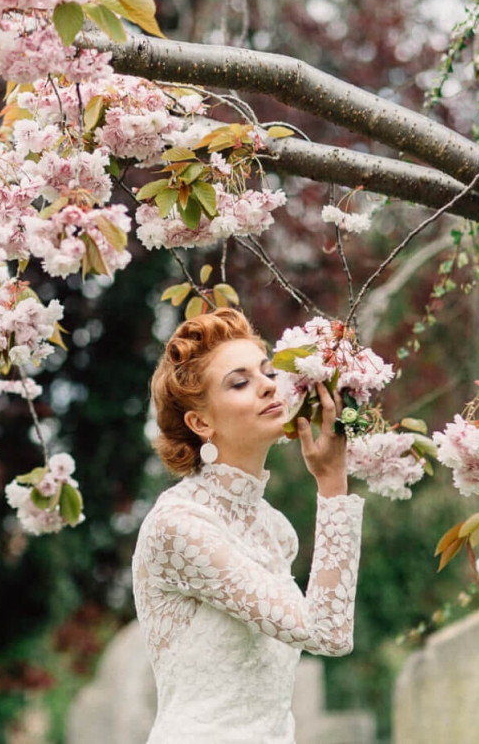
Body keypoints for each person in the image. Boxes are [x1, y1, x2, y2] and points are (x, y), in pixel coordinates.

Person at [131, 308, 365, 743]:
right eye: (239, 382)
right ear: (201, 423)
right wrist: (333, 484)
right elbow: (327, 634)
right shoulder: (178, 526)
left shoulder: (275, 530)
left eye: (266, 371)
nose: (267, 385)